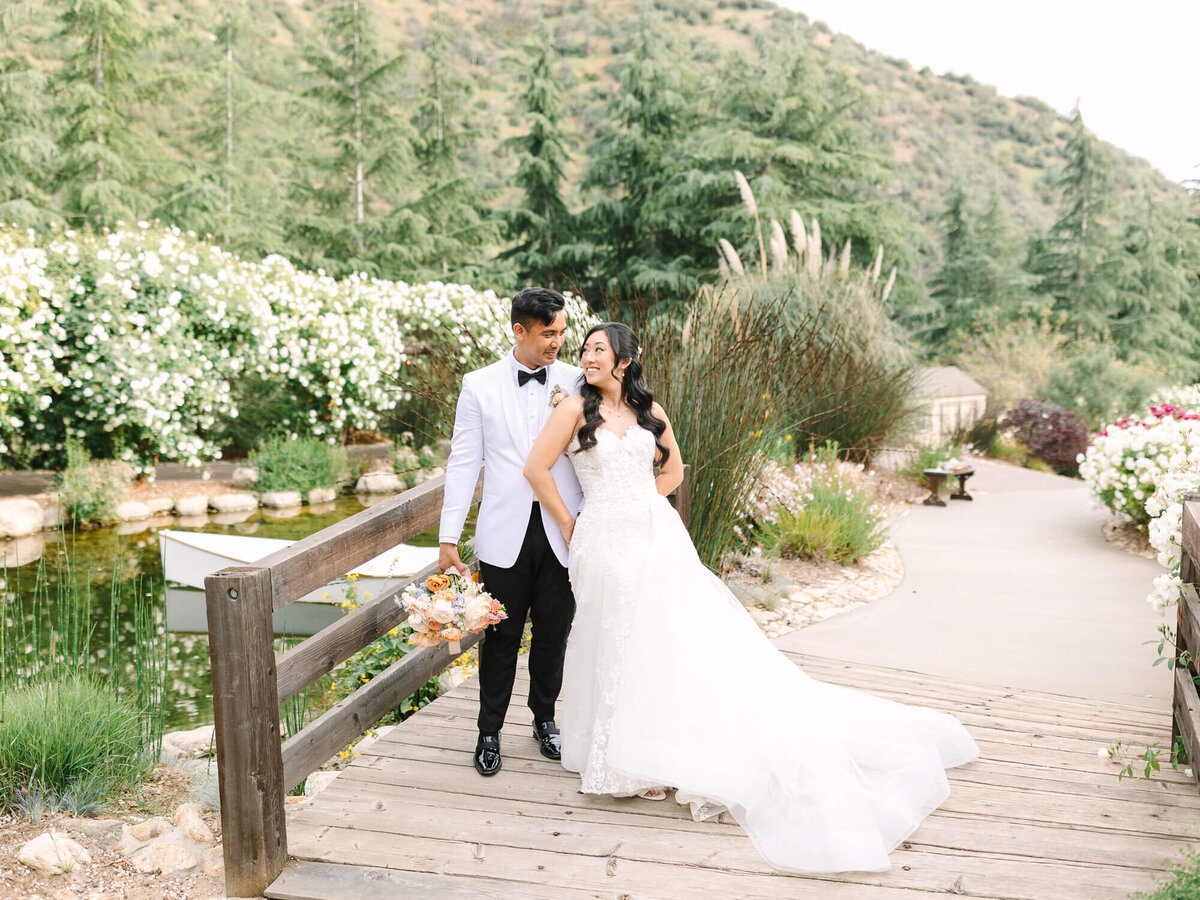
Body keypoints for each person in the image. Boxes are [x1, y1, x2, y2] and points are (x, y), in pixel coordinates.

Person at [523, 321, 980, 874]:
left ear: (623, 361)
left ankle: (654, 748)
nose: (587, 357)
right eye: (586, 350)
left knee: (663, 635)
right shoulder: (572, 409)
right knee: (612, 633)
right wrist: (573, 523)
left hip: (655, 535)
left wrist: (642, 501)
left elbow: (673, 470)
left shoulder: (652, 411)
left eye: (598, 350)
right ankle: (619, 755)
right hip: (600, 540)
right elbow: (536, 468)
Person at [439, 287, 584, 777]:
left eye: (562, 332)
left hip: (563, 528)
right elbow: (463, 463)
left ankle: (546, 720)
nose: (559, 343)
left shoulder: (578, 380)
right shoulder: (477, 385)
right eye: (549, 334)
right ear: (519, 331)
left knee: (553, 636)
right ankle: (488, 731)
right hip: (504, 532)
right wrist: (446, 539)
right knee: (499, 637)